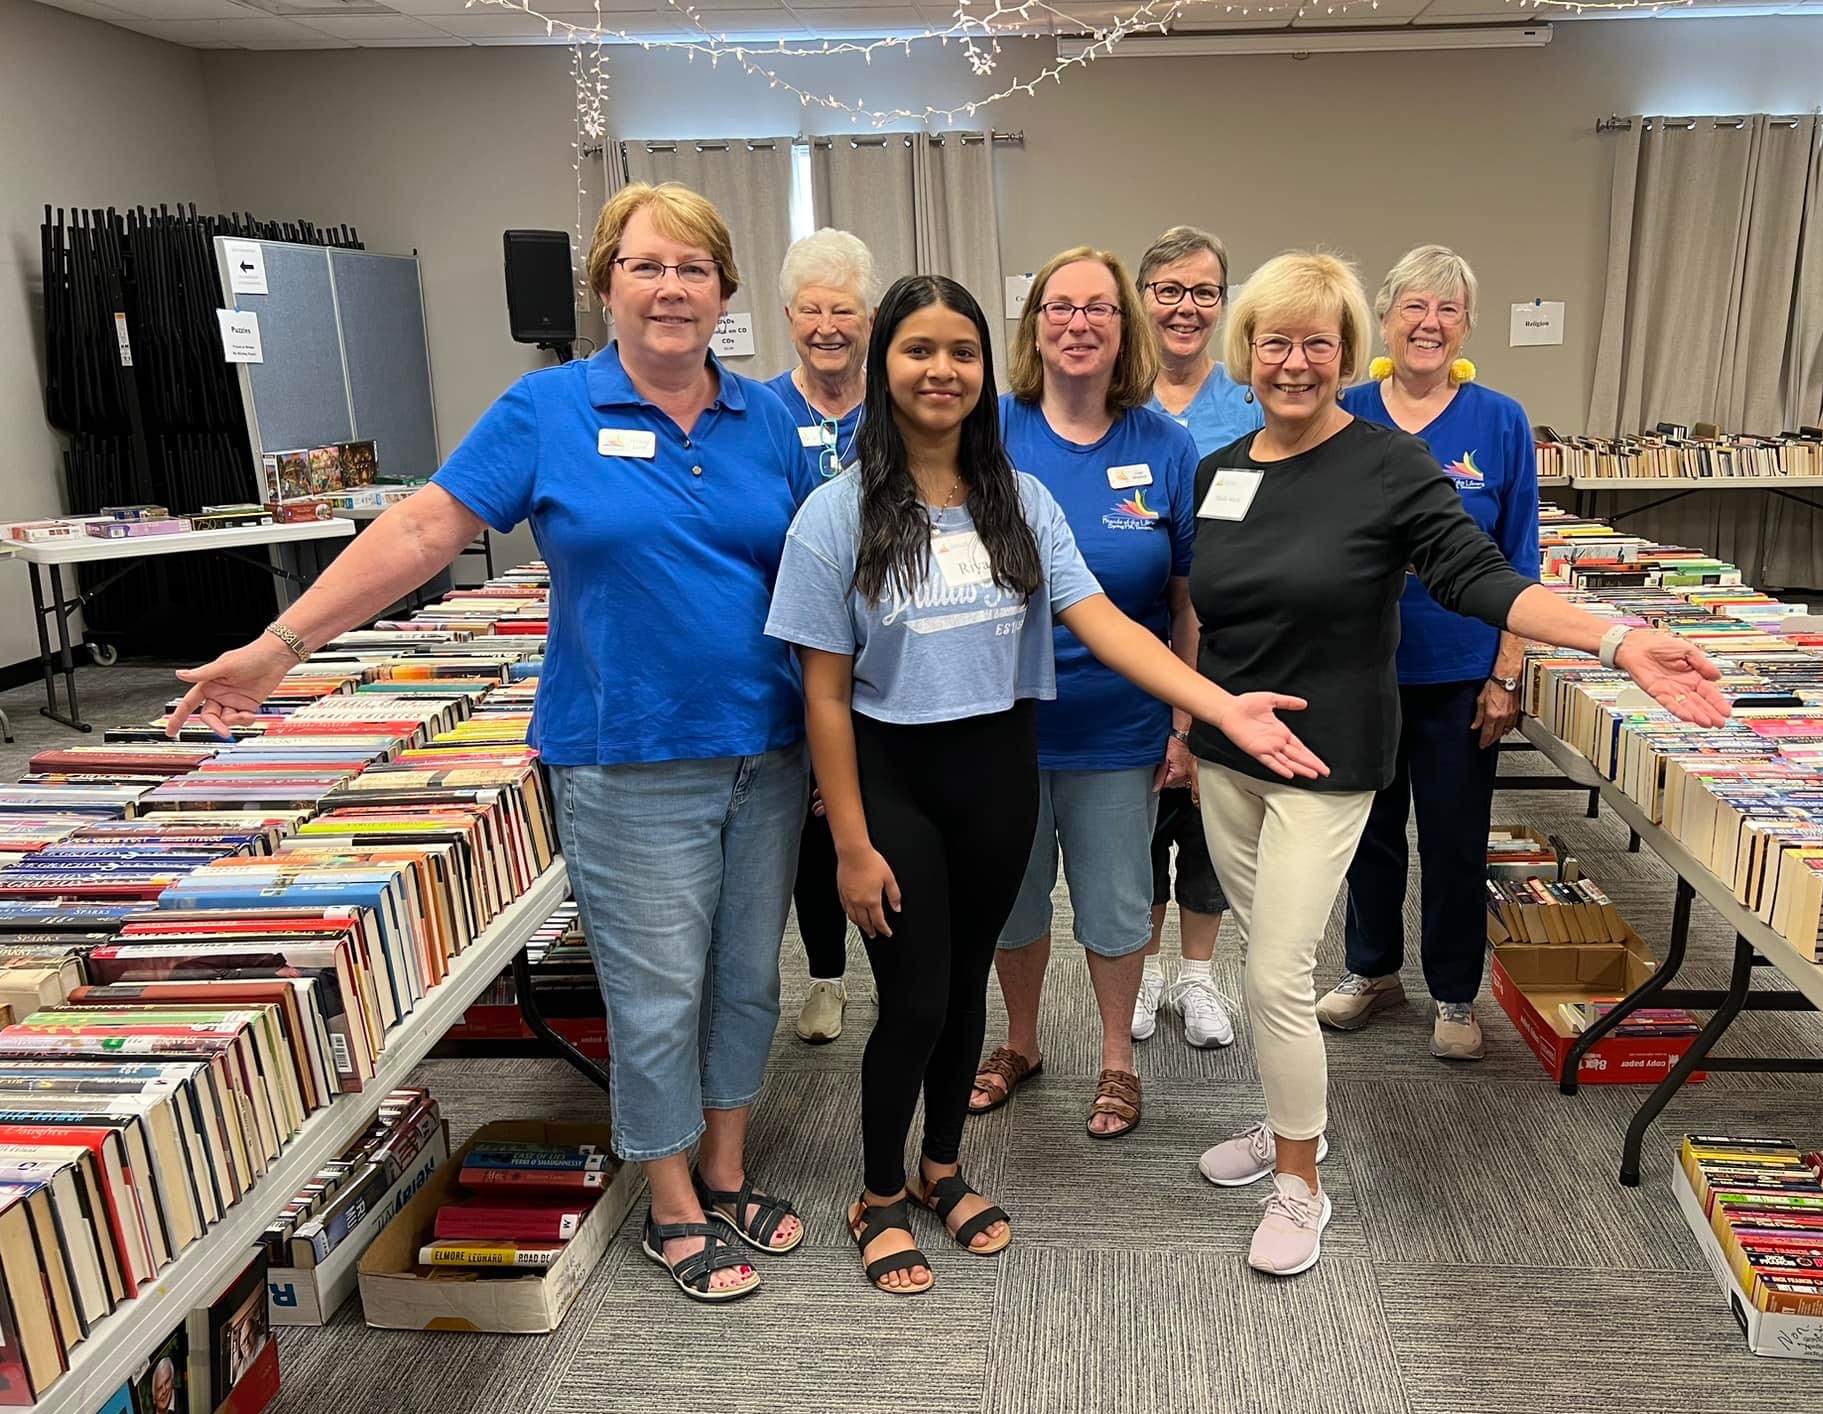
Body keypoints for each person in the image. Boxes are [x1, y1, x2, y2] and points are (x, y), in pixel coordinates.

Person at [167, 182, 810, 1305]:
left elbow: (824, 571)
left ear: (724, 293)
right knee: (657, 987)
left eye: (693, 269)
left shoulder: (770, 422)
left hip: (767, 749)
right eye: (646, 266)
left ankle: (725, 1165)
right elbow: (425, 528)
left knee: (746, 978)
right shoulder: (546, 409)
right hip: (623, 757)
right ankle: (667, 1200)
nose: (670, 289)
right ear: (606, 283)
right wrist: (284, 642)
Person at [765, 274, 1326, 1294]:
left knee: (971, 985)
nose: (941, 371)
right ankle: (878, 1193)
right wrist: (848, 841)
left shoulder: (1015, 503)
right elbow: (825, 700)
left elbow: (1106, 623)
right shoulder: (833, 515)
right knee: (912, 1001)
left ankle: (942, 1171)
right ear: (884, 364)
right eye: (918, 350)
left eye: (961, 353)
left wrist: (1209, 703)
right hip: (894, 782)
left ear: (987, 372)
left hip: (998, 772)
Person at [1187, 251, 1730, 1277]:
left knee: (1271, 973)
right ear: (1243, 352)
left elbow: (1478, 575)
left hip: (1328, 761)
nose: (1292, 363)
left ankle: (1299, 1183)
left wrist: (1611, 641)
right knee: (1271, 964)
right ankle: (1285, 1115)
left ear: (1345, 353)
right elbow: (1204, 615)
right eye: (1273, 341)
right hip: (1228, 756)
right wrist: (1189, 724)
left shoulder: (1387, 464)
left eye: (1315, 343)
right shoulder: (1222, 472)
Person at [966, 245, 1202, 1141]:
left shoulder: (1164, 444)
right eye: (1059, 306)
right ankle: (1020, 1042)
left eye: (1098, 308)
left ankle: (1115, 1057)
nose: (1078, 323)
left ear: (1124, 325)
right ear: (1036, 325)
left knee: (1113, 904)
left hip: (1121, 727)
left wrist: (1181, 720)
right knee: (1013, 902)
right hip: (1003, 727)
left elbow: (1186, 600)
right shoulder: (991, 431)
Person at [1316, 245, 1539, 1061]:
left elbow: (1521, 559)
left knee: (1452, 838)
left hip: (1458, 674)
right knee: (1364, 834)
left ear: (1467, 325)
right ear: (1384, 318)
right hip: (1358, 670)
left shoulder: (1499, 420)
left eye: (1448, 310)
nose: (1430, 324)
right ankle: (1371, 970)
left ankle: (1454, 993)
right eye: (1415, 306)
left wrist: (1506, 673)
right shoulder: (1343, 412)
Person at [1136, 225, 1264, 1049]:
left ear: (1224, 303)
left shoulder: (1250, 404)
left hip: (1232, 648)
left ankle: (1197, 978)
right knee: (1140, 816)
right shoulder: (1114, 405)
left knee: (1214, 820)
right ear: (1145, 300)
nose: (1187, 307)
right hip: (1135, 647)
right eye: (1170, 290)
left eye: (1205, 292)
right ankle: (1143, 973)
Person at [766, 228, 881, 1045]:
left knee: (890, 812)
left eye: (843, 308)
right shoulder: (760, 411)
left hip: (889, 651)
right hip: (793, 651)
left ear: (870, 318)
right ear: (788, 317)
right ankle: (828, 979)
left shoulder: (900, 404)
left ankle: (904, 973)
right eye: (811, 309)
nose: (827, 324)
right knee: (816, 825)